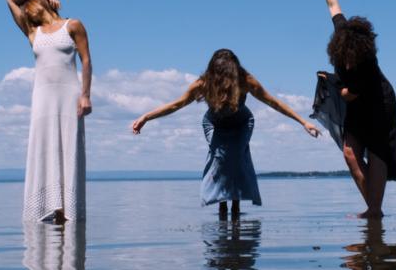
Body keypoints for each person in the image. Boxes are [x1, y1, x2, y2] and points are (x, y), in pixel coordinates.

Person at [132, 49, 319, 218]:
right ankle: (222, 208)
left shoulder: (246, 81)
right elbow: (176, 104)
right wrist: (146, 117)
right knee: (220, 159)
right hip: (214, 124)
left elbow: (273, 102)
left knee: (236, 157)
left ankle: (235, 208)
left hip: (242, 123)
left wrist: (303, 122)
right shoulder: (203, 84)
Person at [312, 0, 396, 218]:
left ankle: (373, 210)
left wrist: (332, 81)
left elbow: (347, 94)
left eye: (354, 59)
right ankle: (375, 209)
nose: (349, 63)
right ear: (339, 48)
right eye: (346, 58)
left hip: (378, 102)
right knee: (350, 154)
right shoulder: (343, 33)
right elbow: (333, 5)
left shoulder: (367, 66)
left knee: (377, 154)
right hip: (357, 105)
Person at [6, 0, 92, 223]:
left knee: (68, 146)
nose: (25, 10)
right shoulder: (34, 32)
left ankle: (66, 210)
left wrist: (85, 95)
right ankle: (48, 208)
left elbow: (86, 60)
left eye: (30, 6)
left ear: (42, 5)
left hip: (69, 95)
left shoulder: (72, 26)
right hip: (42, 99)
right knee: (44, 147)